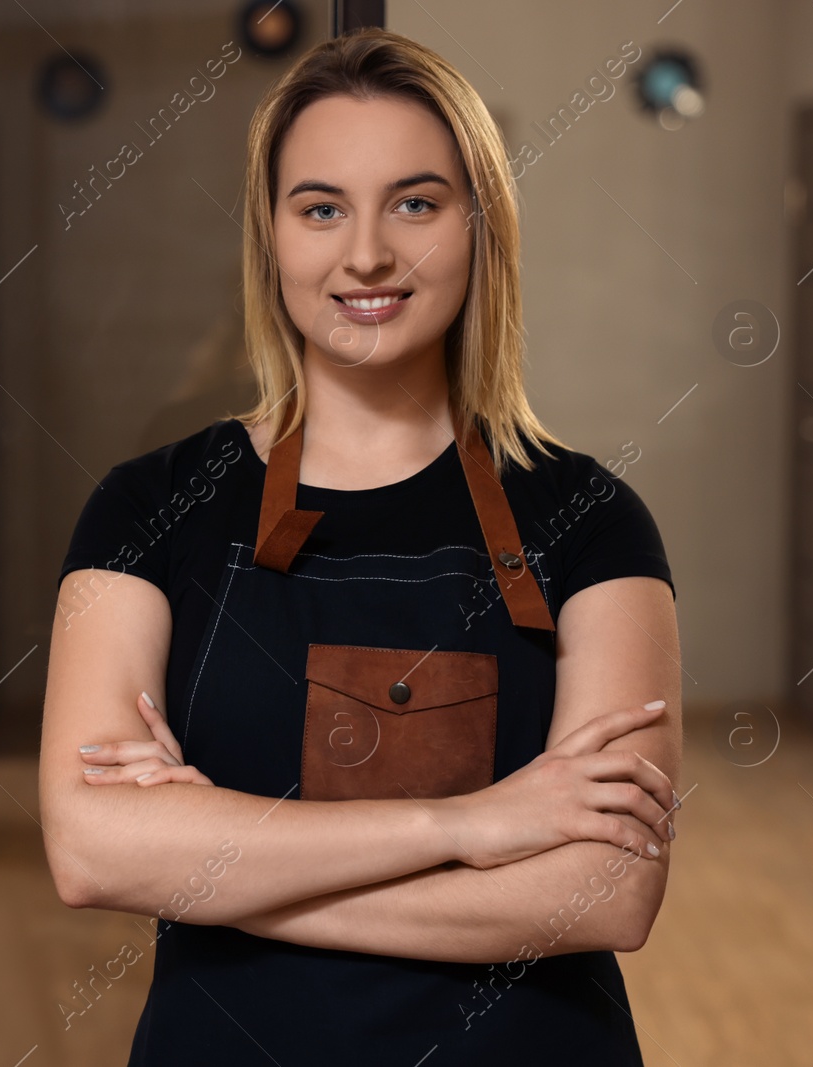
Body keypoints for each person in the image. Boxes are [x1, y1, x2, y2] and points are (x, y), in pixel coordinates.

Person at [38, 27, 681, 1065]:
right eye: (320, 207)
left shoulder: (591, 520)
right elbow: (88, 848)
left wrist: (220, 879)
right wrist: (469, 827)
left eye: (415, 202)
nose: (366, 253)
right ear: (271, 234)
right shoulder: (147, 508)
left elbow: (603, 891)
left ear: (480, 226)